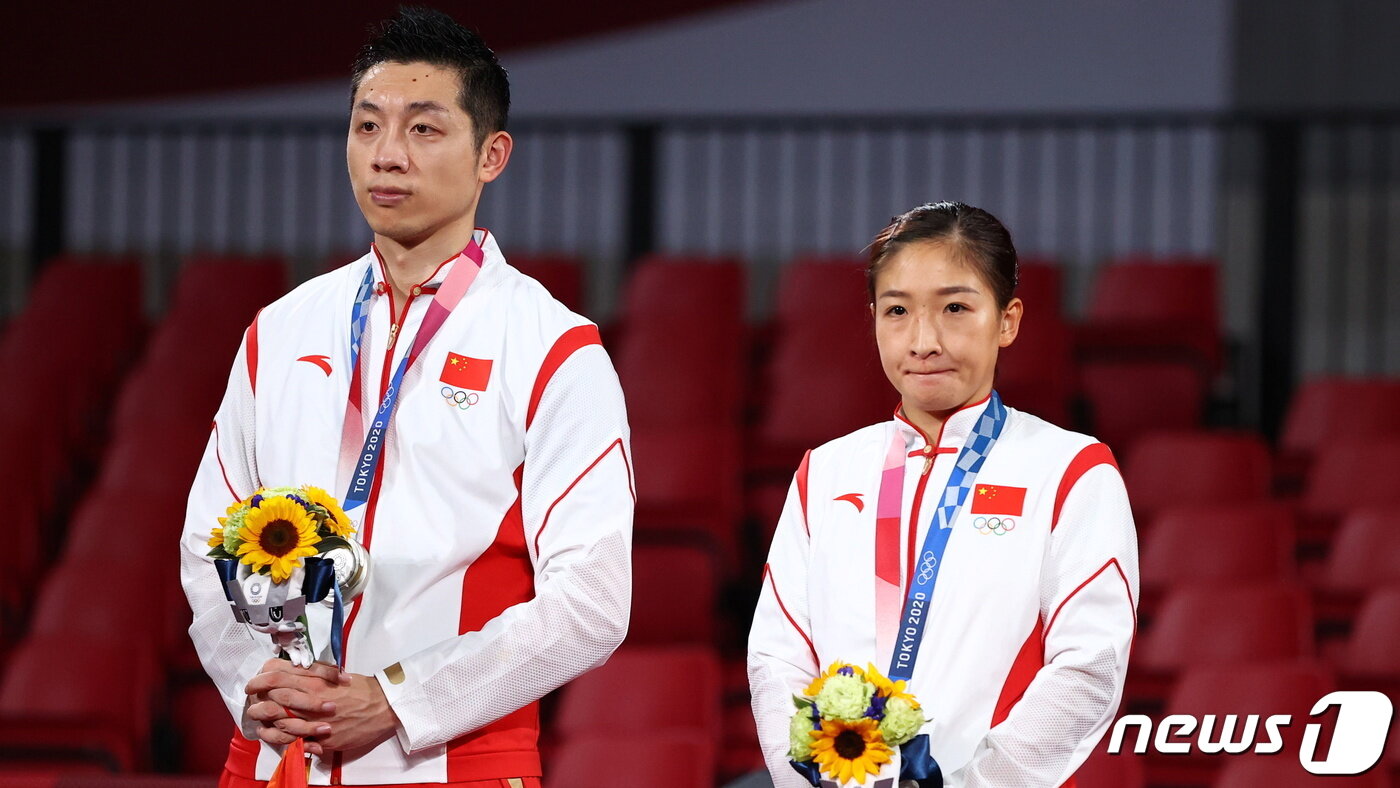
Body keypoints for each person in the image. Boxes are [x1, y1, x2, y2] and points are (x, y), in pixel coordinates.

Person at [178, 8, 633, 787]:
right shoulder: (280, 330)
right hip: (275, 758)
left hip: (450, 762)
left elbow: (592, 601)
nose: (388, 156)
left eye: (424, 130)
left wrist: (394, 701)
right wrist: (259, 688)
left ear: (492, 155)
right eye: (367, 126)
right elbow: (205, 546)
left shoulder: (554, 348)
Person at [748, 202, 1138, 787]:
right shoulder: (824, 474)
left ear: (1007, 320)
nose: (923, 340)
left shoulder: (1071, 471)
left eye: (955, 308)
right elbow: (776, 658)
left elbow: (1089, 669)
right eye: (897, 311)